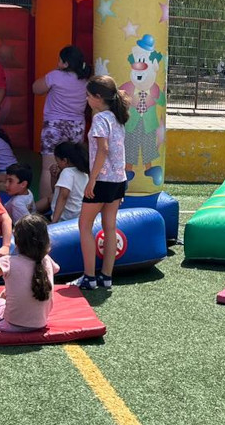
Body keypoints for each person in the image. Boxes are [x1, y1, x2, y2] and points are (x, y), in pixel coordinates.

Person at [74, 75, 131, 291]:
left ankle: (89, 277)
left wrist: (92, 179)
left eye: (88, 95)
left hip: (103, 179)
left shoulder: (100, 119)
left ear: (98, 97)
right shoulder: (118, 117)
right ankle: (107, 276)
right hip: (118, 179)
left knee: (84, 225)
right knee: (110, 227)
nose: (86, 99)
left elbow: (103, 149)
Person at [32, 45, 92, 213]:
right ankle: (72, 203)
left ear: (65, 63)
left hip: (55, 126)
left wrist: (54, 73)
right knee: (73, 167)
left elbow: (36, 88)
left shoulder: (55, 76)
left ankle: (46, 205)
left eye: (59, 59)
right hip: (76, 127)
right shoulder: (85, 80)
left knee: (48, 167)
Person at [49, 140, 89, 223]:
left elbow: (63, 196)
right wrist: (53, 177)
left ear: (64, 161)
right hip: (79, 214)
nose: (57, 164)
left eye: (57, 161)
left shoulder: (67, 172)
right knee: (50, 197)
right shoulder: (83, 173)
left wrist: (54, 221)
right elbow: (56, 192)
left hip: (67, 218)